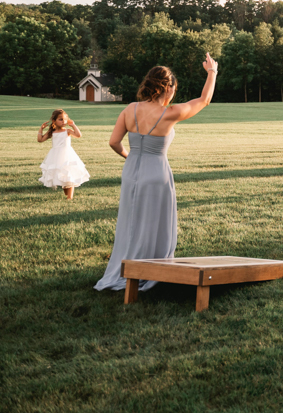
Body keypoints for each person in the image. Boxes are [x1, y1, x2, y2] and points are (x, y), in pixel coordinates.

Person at [94, 53, 218, 293]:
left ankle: (129, 266)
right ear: (168, 88)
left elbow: (113, 142)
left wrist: (130, 157)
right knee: (155, 223)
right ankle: (151, 269)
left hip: (131, 172)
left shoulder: (130, 109)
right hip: (157, 172)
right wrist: (211, 71)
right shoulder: (169, 114)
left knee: (131, 221)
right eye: (173, 88)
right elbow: (204, 100)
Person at [37, 109, 89, 200]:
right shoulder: (52, 132)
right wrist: (41, 129)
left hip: (67, 154)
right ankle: (67, 195)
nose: (63, 121)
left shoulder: (67, 131)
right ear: (54, 121)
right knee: (61, 175)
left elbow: (78, 135)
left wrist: (73, 125)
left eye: (65, 119)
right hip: (55, 155)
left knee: (69, 174)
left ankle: (70, 197)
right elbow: (40, 140)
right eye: (60, 119)